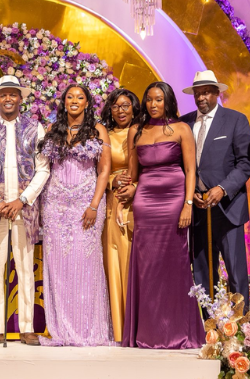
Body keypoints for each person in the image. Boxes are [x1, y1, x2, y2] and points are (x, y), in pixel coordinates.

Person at [122, 82, 205, 349]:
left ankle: (177, 331)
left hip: (174, 200)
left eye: (158, 99)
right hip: (145, 202)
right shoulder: (135, 130)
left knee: (175, 264)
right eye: (149, 100)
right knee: (146, 266)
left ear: (167, 101)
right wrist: (126, 188)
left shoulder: (182, 129)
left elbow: (191, 170)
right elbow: (134, 174)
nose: (153, 104)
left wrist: (188, 204)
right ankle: (148, 332)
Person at [0, 76, 50, 346]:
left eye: (13, 94)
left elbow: (43, 169)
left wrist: (23, 200)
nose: (8, 99)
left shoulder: (35, 128)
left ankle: (27, 327)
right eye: (3, 94)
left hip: (24, 210)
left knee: (26, 267)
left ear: (20, 98)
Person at [38, 84, 113, 346]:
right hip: (55, 204)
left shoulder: (97, 130)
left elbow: (104, 171)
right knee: (58, 265)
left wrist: (94, 204)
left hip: (86, 204)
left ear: (87, 103)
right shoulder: (52, 130)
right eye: (70, 97)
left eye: (80, 97)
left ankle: (87, 328)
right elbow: (44, 170)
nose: (74, 101)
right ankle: (60, 329)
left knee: (86, 264)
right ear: (64, 102)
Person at [180, 71, 250, 305]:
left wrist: (223, 188)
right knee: (201, 269)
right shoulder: (184, 122)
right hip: (198, 208)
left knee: (235, 270)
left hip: (228, 208)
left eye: (206, 92)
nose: (201, 97)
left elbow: (246, 163)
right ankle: (208, 323)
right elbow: (181, 164)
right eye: (197, 93)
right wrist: (189, 193)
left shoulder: (235, 119)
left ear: (217, 93)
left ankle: (241, 325)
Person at [99, 88, 140, 342]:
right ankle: (119, 327)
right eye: (116, 106)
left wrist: (136, 186)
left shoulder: (144, 133)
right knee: (114, 260)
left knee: (136, 261)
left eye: (125, 105)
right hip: (113, 202)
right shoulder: (104, 135)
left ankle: (139, 324)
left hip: (141, 201)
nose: (121, 110)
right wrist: (114, 181)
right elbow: (96, 172)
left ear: (134, 108)